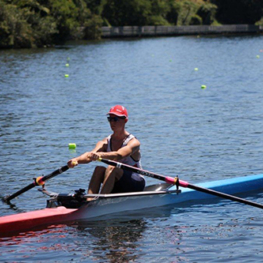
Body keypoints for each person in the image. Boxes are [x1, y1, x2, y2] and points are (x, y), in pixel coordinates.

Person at [67, 105, 145, 197]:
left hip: (135, 183)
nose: (112, 122)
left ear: (125, 120)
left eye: (115, 119)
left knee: (112, 168)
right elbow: (90, 155)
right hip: (117, 181)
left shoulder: (134, 143)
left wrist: (100, 155)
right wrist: (76, 160)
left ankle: (100, 202)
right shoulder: (105, 141)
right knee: (98, 169)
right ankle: (89, 201)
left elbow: (118, 155)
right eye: (110, 119)